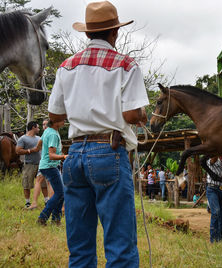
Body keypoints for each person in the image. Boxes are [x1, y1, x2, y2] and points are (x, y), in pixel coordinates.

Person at [47, 1, 148, 266]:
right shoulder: (126, 65)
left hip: (75, 154)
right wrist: (140, 114)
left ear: (87, 33)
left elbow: (55, 117)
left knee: (79, 248)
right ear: (115, 33)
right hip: (109, 152)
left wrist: (82, 109)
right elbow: (130, 115)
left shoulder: (66, 67)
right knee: (120, 246)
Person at [36, 119, 66, 226]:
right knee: (60, 193)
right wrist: (64, 156)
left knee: (60, 193)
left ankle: (56, 220)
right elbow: (51, 155)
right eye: (62, 119)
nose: (64, 120)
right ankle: (42, 217)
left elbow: (39, 145)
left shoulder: (47, 131)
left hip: (46, 166)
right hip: (50, 166)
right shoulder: (53, 134)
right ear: (54, 122)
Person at [16, 121, 47, 208]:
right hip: (29, 164)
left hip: (41, 164)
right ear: (33, 127)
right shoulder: (22, 139)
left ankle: (46, 201)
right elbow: (18, 151)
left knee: (44, 184)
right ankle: (27, 203)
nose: (39, 129)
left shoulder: (39, 138)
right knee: (27, 184)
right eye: (37, 127)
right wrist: (30, 150)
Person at [27, 119, 53, 210]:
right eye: (43, 125)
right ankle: (47, 203)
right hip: (49, 161)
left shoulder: (46, 134)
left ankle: (35, 203)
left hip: (46, 162)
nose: (44, 126)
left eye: (46, 124)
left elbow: (38, 147)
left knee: (44, 182)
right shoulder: (53, 134)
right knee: (46, 182)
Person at [204, 156, 222, 243]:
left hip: (220, 189)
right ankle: (213, 239)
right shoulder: (210, 160)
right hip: (212, 189)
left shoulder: (221, 162)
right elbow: (213, 158)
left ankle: (221, 238)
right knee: (216, 212)